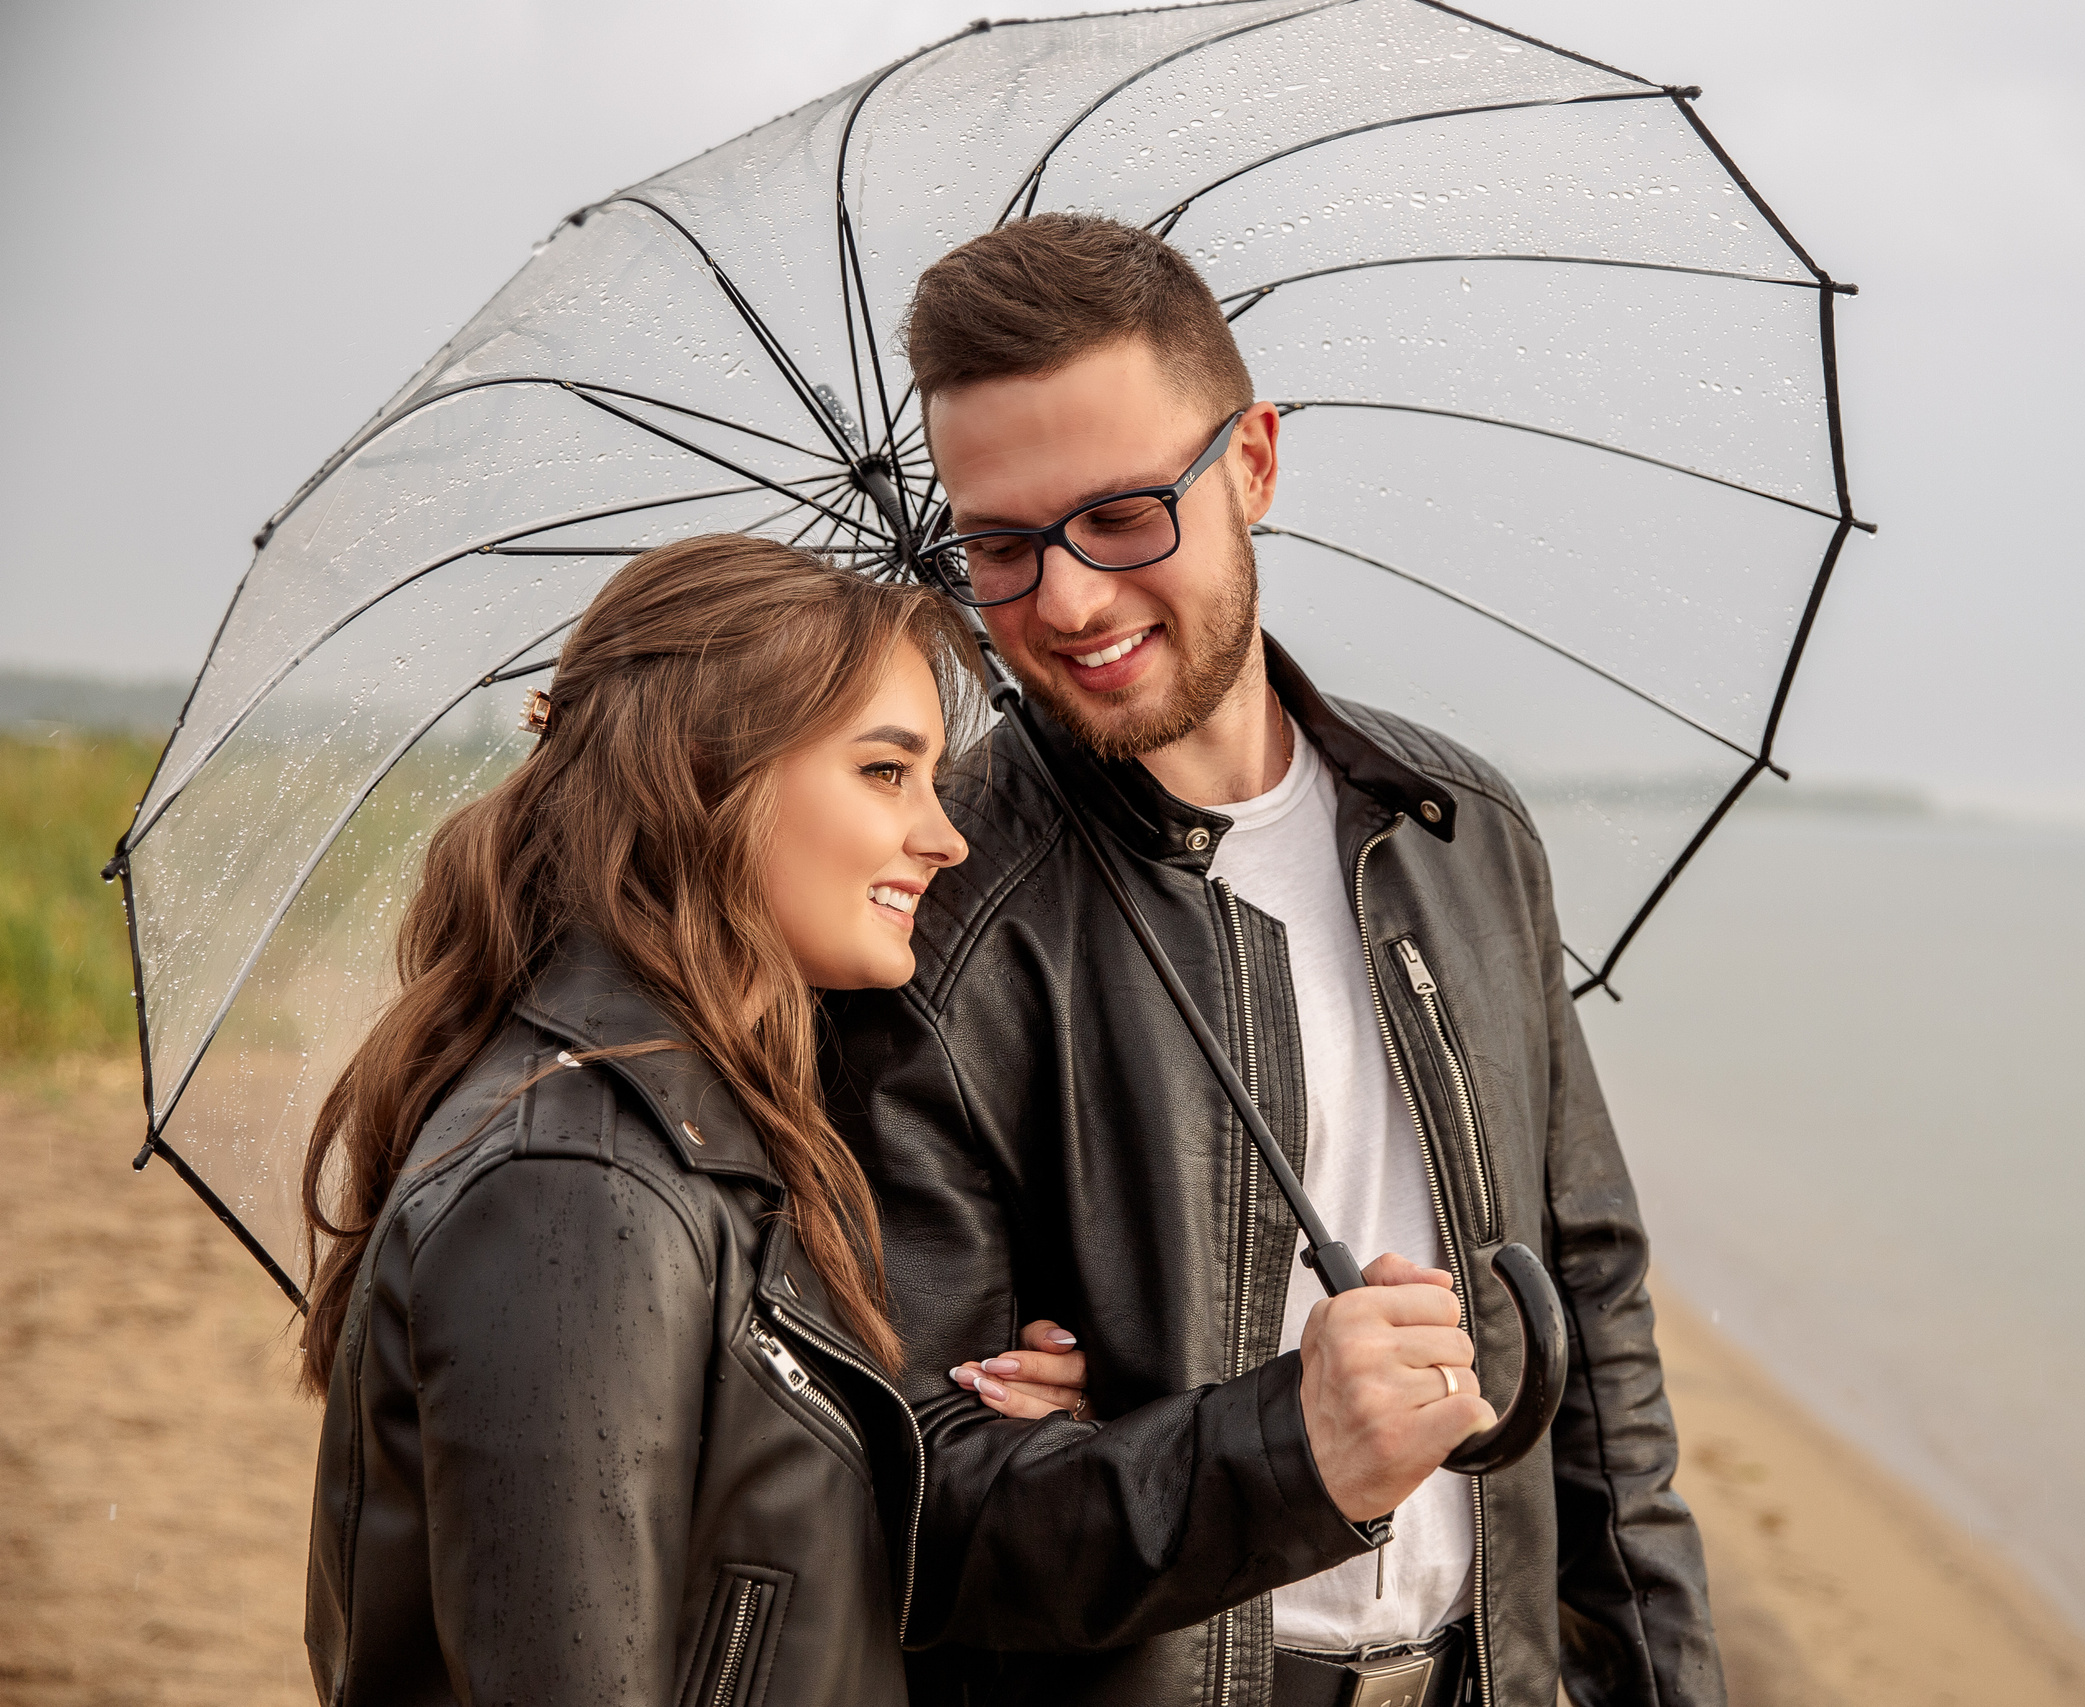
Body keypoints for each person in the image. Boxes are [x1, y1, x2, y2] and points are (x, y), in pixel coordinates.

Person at [828, 214, 1723, 1706]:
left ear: (1251, 462)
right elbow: (927, 1513)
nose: (1066, 600)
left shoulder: (1460, 829)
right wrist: (1283, 1446)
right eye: (1000, 544)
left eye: (1121, 516)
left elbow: (1594, 1323)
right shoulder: (934, 919)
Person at [295, 535, 1078, 1704]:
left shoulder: (706, 1133)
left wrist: (1016, 1410)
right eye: (884, 771)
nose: (945, 835)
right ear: (710, 770)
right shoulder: (576, 1181)